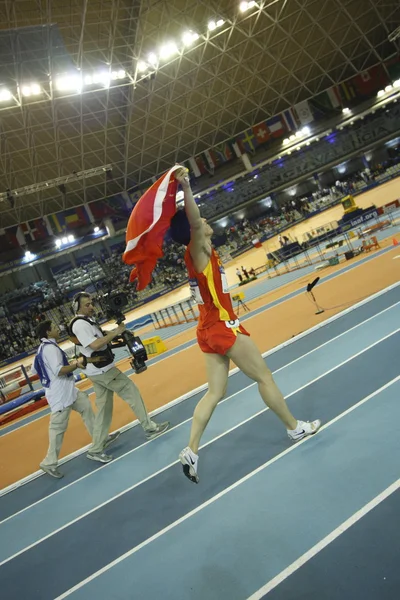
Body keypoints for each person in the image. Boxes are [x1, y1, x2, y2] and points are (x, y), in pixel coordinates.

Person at [169, 168, 321, 484]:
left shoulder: (197, 256)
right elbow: (195, 221)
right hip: (223, 326)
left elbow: (194, 224)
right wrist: (185, 187)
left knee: (215, 391)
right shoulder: (198, 250)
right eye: (200, 222)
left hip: (207, 329)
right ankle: (294, 428)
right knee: (264, 377)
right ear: (194, 230)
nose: (206, 221)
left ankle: (192, 450)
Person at [70, 293, 169, 463]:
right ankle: (150, 427)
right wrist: (117, 331)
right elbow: (95, 344)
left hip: (98, 371)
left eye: (91, 303)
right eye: (87, 305)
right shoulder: (80, 324)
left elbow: (99, 337)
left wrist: (116, 333)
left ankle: (97, 447)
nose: (91, 307)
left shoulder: (87, 321)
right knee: (131, 391)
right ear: (77, 308)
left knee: (104, 409)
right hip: (103, 371)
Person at [31, 320, 104, 478]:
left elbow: (34, 369)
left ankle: (100, 437)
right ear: (48, 332)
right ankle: (49, 462)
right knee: (57, 428)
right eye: (56, 327)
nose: (59, 329)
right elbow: (59, 371)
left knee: (85, 404)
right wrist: (76, 364)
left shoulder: (42, 348)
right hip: (60, 394)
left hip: (68, 390)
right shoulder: (50, 349)